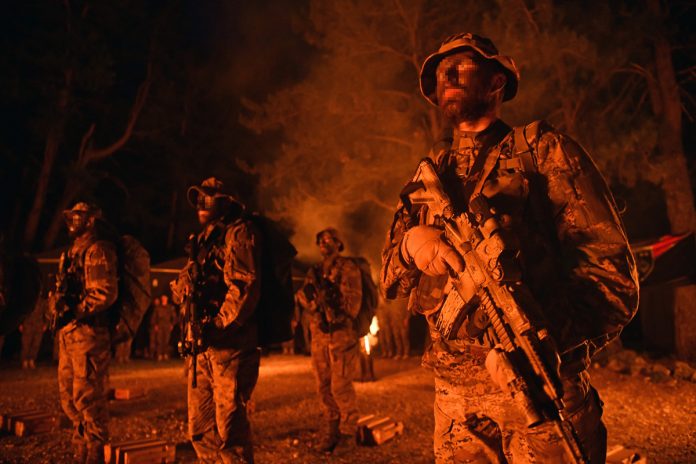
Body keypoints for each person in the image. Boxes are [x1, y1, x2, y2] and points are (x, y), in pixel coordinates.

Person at [380, 33, 639, 463]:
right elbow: (390, 277)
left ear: (497, 80)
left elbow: (613, 278)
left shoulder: (544, 154)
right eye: (441, 71)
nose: (448, 76)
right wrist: (410, 247)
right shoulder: (431, 175)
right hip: (456, 404)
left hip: (538, 393)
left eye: (461, 66)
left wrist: (543, 345)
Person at [171, 177, 262, 463]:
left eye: (208, 198)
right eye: (199, 199)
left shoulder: (239, 233)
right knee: (200, 429)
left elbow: (243, 287)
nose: (201, 204)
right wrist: (183, 287)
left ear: (226, 202)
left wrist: (218, 325)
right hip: (202, 346)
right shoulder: (203, 240)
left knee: (230, 432)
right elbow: (184, 288)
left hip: (230, 347)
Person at [49, 202, 118, 463]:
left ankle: (95, 452)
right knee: (69, 398)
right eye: (71, 217)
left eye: (78, 217)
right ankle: (81, 448)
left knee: (88, 398)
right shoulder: (70, 253)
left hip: (89, 334)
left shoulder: (98, 250)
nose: (72, 221)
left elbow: (105, 293)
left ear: (90, 221)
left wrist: (75, 309)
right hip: (70, 333)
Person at [296, 227, 362, 453]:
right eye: (320, 240)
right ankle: (332, 430)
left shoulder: (348, 268)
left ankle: (348, 433)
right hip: (319, 335)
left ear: (338, 243)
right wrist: (314, 303)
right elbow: (303, 296)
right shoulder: (314, 271)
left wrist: (332, 304)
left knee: (340, 386)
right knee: (323, 386)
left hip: (341, 335)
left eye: (328, 239)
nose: (323, 243)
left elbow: (353, 305)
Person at [20, 293, 47, 369]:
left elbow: (46, 313)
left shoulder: (43, 302)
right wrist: (21, 323)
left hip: (39, 325)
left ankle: (32, 360)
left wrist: (46, 324)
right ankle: (25, 361)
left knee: (36, 344)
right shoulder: (27, 301)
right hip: (28, 324)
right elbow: (22, 313)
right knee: (26, 344)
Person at [150, 294, 177, 361]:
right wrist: (155, 325)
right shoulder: (158, 308)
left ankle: (165, 354)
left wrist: (172, 325)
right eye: (163, 298)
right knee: (159, 341)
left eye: (165, 298)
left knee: (166, 341)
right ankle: (159, 355)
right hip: (160, 325)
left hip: (167, 326)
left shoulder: (170, 308)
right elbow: (154, 317)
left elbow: (174, 317)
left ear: (167, 299)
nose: (164, 299)